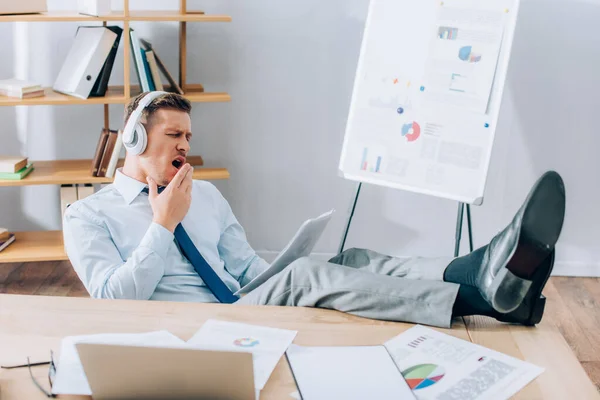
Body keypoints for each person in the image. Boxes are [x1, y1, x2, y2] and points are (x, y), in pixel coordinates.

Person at [63, 91, 566, 329]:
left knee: (348, 260)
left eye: (188, 137)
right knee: (308, 274)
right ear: (134, 138)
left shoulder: (205, 195)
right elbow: (112, 300)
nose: (185, 147)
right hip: (192, 325)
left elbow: (243, 269)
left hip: (240, 303)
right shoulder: (88, 217)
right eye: (174, 135)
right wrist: (162, 225)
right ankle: (480, 293)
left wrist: (275, 278)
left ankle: (484, 280)